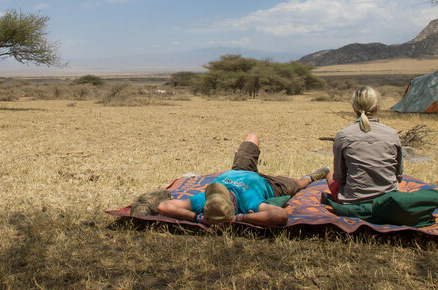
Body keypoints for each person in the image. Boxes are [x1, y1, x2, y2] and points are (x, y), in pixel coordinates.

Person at [157, 133, 329, 226]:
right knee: (298, 184)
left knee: (252, 137)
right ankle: (313, 176)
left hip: (239, 170)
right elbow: (281, 215)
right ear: (233, 207)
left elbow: (164, 206)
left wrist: (198, 219)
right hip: (268, 184)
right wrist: (240, 219)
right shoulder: (249, 203)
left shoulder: (204, 200)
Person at [325, 86, 403, 204]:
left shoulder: (343, 135)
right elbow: (399, 175)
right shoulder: (392, 134)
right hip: (388, 202)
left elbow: (339, 178)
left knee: (329, 174)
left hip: (353, 200)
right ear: (377, 107)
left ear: (353, 107)